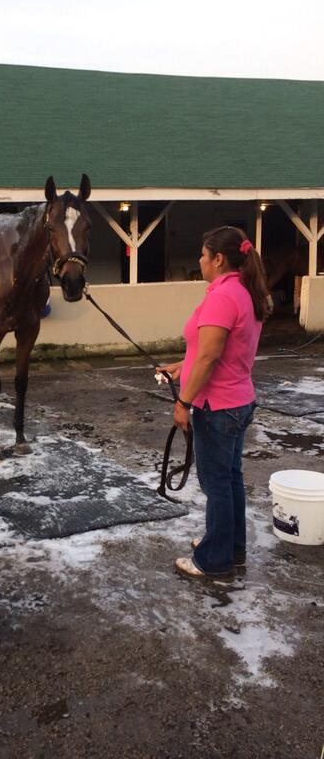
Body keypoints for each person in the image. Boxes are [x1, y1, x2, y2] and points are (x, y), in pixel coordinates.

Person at [158, 226, 270, 582]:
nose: (199, 260)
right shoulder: (241, 291)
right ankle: (230, 546)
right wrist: (179, 367)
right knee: (230, 478)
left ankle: (215, 560)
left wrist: (184, 403)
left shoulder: (223, 297)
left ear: (218, 259)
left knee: (217, 484)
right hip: (238, 400)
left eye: (203, 255)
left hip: (218, 407)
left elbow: (208, 357)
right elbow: (209, 352)